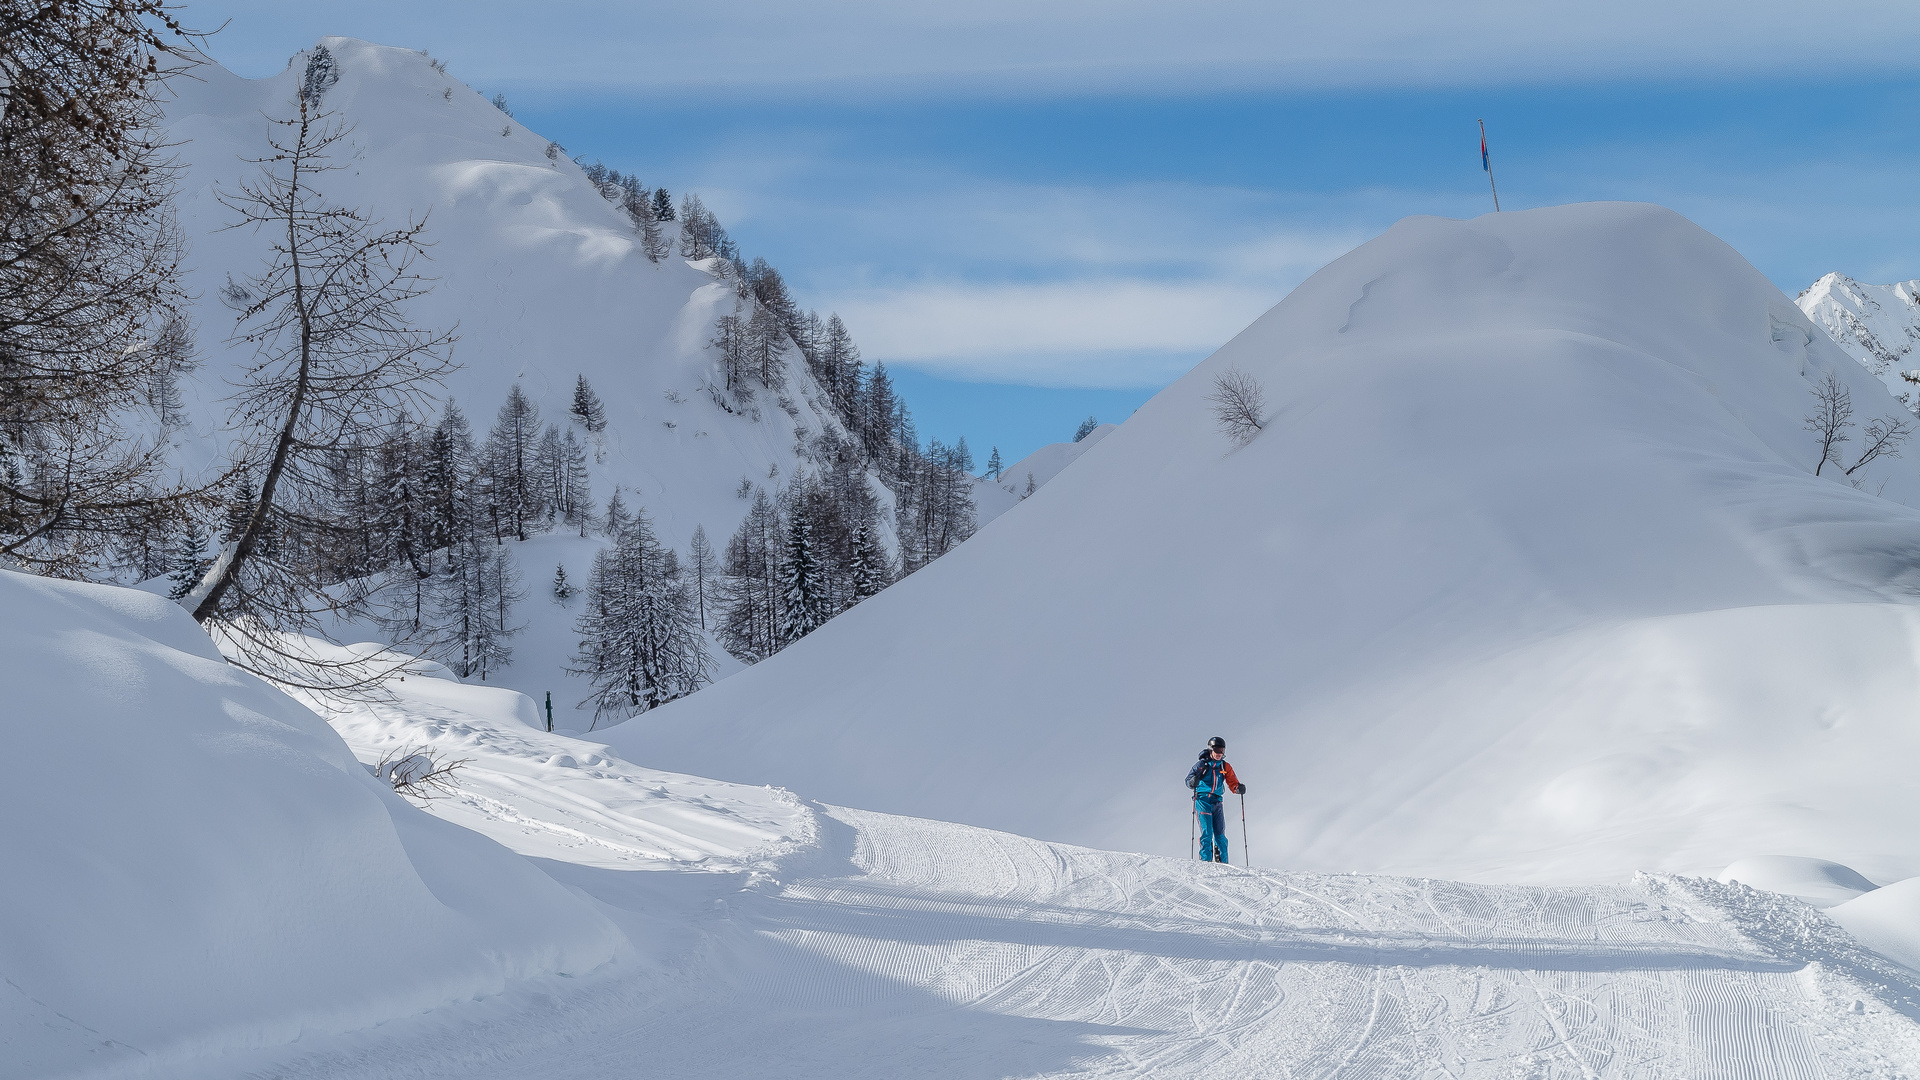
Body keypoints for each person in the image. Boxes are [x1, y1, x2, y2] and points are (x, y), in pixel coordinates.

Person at [1185, 736, 1245, 863]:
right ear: (1210, 749)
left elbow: (1232, 781)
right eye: (1217, 750)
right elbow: (1188, 780)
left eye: (1222, 750)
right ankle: (1206, 862)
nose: (1219, 753)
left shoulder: (1224, 766)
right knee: (1207, 832)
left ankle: (1224, 863)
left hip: (1217, 801)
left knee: (1220, 834)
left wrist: (1237, 788)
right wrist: (1192, 782)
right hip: (1202, 800)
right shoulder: (1202, 764)